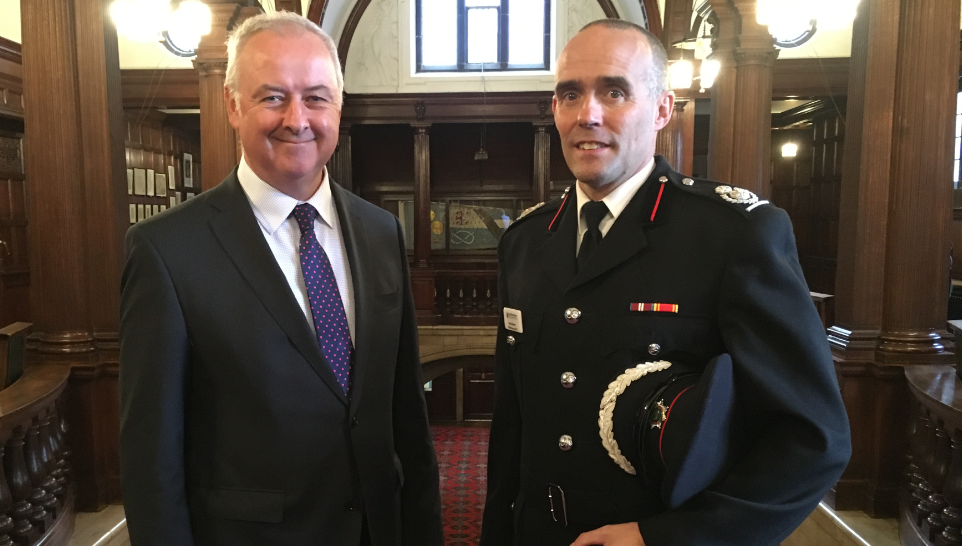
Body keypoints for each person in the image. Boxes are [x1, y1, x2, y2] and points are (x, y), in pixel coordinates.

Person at [480, 19, 851, 546]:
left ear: (661, 109)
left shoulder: (733, 234)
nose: (587, 113)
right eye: (570, 94)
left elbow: (813, 439)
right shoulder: (527, 240)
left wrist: (669, 538)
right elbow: (513, 424)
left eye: (614, 91)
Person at [118, 12, 443, 546]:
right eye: (273, 97)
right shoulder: (168, 251)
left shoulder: (380, 232)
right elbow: (152, 459)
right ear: (232, 105)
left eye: (316, 97)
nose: (298, 119)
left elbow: (405, 414)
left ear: (339, 106)